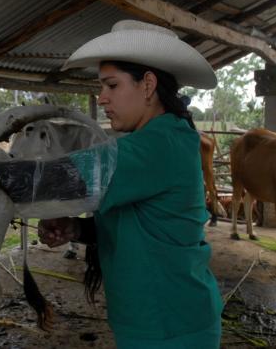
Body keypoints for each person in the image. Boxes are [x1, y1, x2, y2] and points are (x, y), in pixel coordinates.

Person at [37, 20, 223, 348]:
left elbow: (55, 180)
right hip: (154, 321)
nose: (102, 98)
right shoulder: (159, 138)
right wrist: (77, 230)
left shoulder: (160, 143)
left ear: (148, 85)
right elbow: (139, 225)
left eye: (111, 85)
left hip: (170, 327)